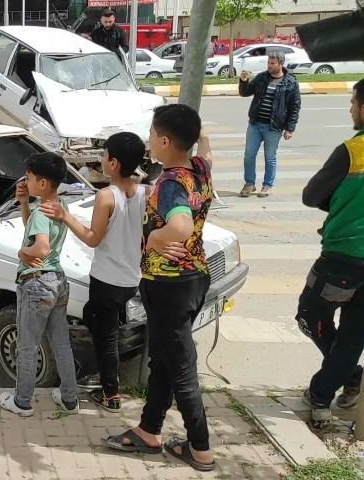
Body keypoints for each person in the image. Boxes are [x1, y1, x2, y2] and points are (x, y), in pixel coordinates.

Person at [40, 133, 186, 413]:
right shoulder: (147, 191)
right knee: (112, 330)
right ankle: (114, 383)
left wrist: (65, 216)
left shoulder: (106, 196)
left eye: (105, 155)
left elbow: (93, 238)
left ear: (114, 163)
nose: (102, 159)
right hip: (133, 278)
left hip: (106, 279)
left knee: (105, 336)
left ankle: (110, 393)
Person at [105, 104, 216, 473]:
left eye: (152, 134)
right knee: (165, 359)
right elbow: (207, 153)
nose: (149, 140)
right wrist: (201, 133)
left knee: (181, 367)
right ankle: (149, 430)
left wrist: (154, 238)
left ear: (165, 141)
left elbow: (181, 226)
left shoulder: (170, 184)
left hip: (170, 285)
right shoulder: (198, 169)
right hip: (194, 277)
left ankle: (200, 449)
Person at [297, 78, 364, 424]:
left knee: (309, 314)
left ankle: (337, 384)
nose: (350, 109)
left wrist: (343, 205)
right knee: (354, 331)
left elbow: (311, 196)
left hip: (342, 254)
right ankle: (335, 390)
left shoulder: (354, 150)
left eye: (352, 103)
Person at [0, 152, 79, 417]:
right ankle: (69, 399)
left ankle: (22, 402)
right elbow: (33, 229)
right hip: (58, 282)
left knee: (27, 346)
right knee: (61, 343)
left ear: (42, 183)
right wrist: (24, 203)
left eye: (29, 178)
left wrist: (23, 253)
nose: (24, 182)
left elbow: (40, 247)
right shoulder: (57, 206)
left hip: (36, 284)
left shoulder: (41, 212)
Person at [238, 50, 301, 198]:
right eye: (268, 63)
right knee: (249, 155)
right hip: (255, 124)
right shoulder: (261, 78)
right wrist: (244, 81)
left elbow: (295, 107)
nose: (269, 65)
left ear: (281, 63)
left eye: (272, 63)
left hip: (274, 127)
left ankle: (267, 185)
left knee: (270, 157)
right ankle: (249, 183)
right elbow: (245, 92)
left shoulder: (290, 82)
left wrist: (290, 128)